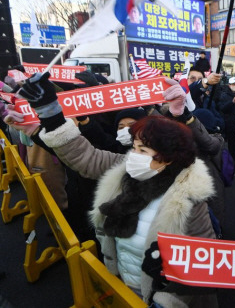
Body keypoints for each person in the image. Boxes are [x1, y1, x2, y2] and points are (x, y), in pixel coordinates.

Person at [17, 73, 218, 307]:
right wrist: (50, 112)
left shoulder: (189, 201)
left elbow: (201, 263)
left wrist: (165, 302)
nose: (134, 156)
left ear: (168, 158)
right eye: (134, 147)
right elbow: (85, 156)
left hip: (158, 297)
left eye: (143, 150)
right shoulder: (124, 170)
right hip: (121, 282)